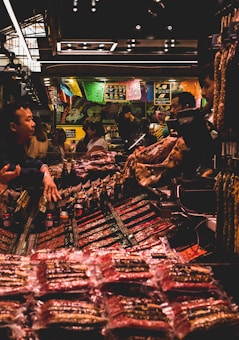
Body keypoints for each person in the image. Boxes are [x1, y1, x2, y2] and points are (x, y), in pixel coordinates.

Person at [0, 101, 61, 202]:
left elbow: (24, 161)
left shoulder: (14, 142)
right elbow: (12, 170)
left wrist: (43, 167)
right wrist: (42, 176)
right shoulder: (2, 144)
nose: (34, 124)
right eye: (28, 120)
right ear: (13, 127)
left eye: (32, 119)